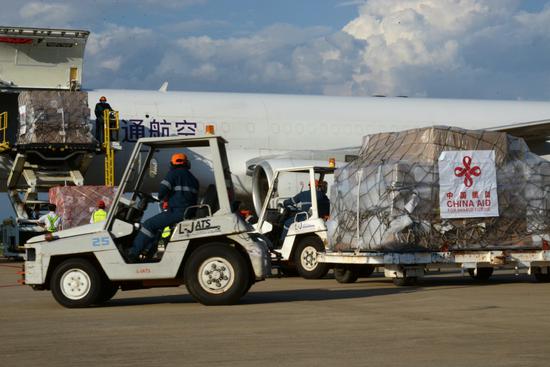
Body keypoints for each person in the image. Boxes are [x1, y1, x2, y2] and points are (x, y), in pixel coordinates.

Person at [128, 153, 199, 262]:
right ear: (187, 163)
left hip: (176, 211)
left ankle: (132, 254)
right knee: (158, 229)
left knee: (148, 225)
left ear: (172, 163)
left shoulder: (173, 174)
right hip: (188, 212)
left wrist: (162, 198)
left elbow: (162, 191)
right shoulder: (193, 179)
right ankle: (149, 254)